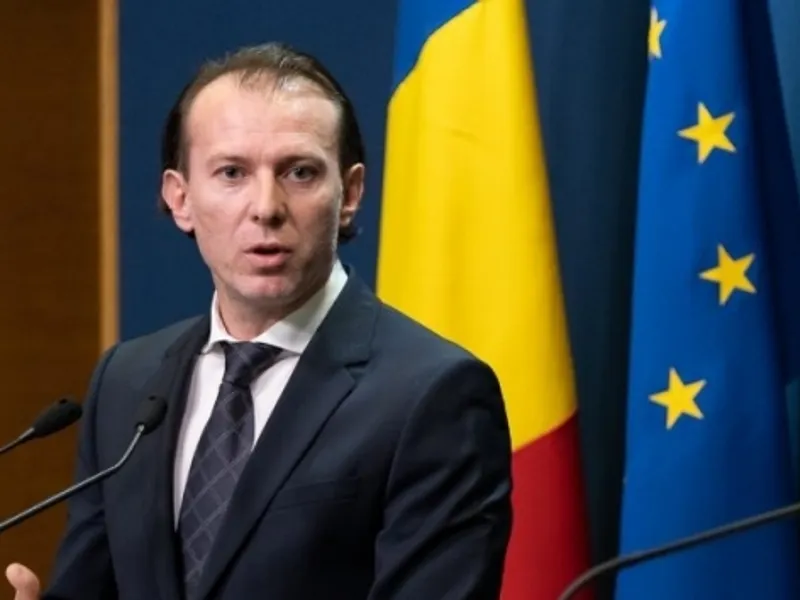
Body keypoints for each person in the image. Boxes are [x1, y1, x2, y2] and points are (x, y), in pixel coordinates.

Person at [6, 42, 513, 600]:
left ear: (350, 194)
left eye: (299, 172)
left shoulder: (434, 394)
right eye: (232, 172)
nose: (266, 206)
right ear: (180, 198)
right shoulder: (126, 382)